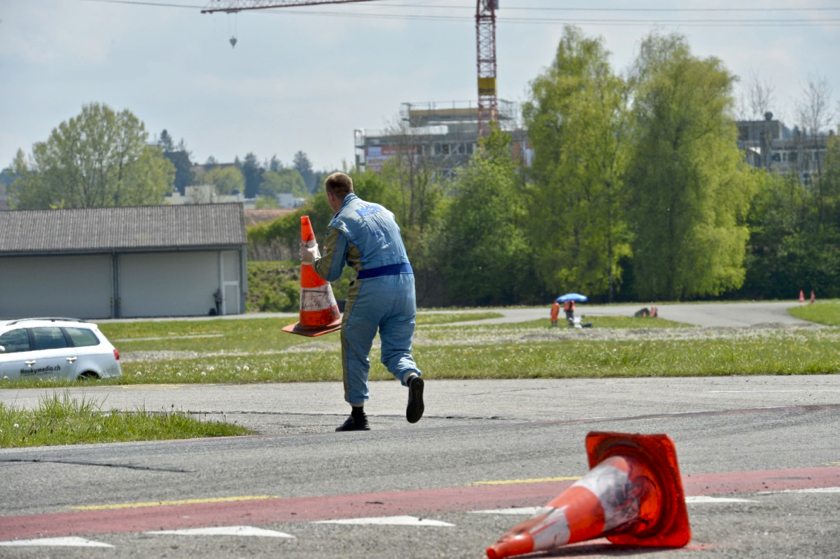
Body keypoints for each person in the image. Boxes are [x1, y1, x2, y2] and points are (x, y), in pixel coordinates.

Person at [299, 172, 424, 432]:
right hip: (406, 284)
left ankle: (358, 415)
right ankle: (411, 377)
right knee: (397, 352)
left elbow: (331, 272)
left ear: (331, 196)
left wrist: (313, 256)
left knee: (355, 347)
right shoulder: (384, 211)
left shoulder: (341, 221)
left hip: (373, 285)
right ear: (351, 189)